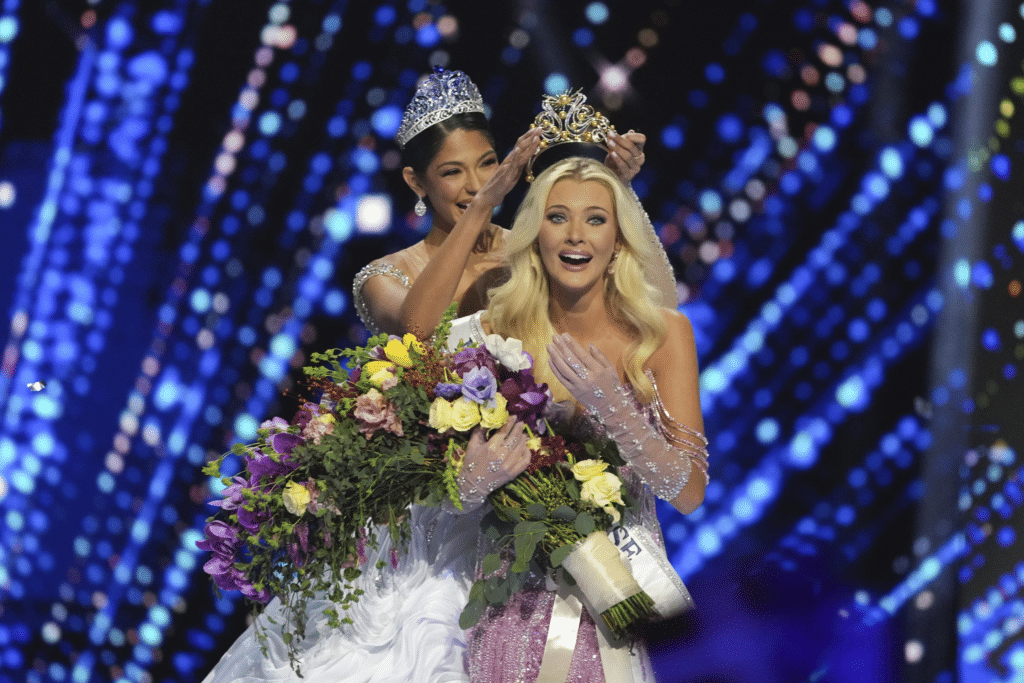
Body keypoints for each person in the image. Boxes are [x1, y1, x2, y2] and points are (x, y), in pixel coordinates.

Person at [352, 67, 653, 339]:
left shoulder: (535, 249)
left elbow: (627, 302)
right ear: (416, 182)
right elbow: (416, 329)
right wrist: (482, 205)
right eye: (452, 172)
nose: (477, 185)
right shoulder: (383, 277)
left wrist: (615, 186)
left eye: (487, 164)